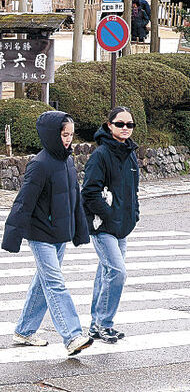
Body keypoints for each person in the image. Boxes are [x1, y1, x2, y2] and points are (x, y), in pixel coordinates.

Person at [2, 111, 93, 357]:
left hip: (60, 234)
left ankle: (24, 330)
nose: (68, 140)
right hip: (41, 234)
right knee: (54, 283)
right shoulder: (39, 164)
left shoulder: (67, 161)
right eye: (64, 135)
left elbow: (75, 200)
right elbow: (24, 202)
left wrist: (80, 231)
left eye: (71, 135)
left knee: (43, 284)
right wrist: (13, 235)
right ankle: (73, 336)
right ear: (52, 134)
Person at [82, 107, 139, 344]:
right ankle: (105, 324)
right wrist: (110, 216)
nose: (125, 128)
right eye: (120, 124)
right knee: (117, 273)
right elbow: (89, 192)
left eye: (129, 125)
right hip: (103, 226)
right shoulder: (101, 154)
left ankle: (96, 325)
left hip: (122, 227)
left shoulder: (130, 153)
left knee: (106, 273)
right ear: (109, 126)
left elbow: (133, 190)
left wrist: (133, 214)